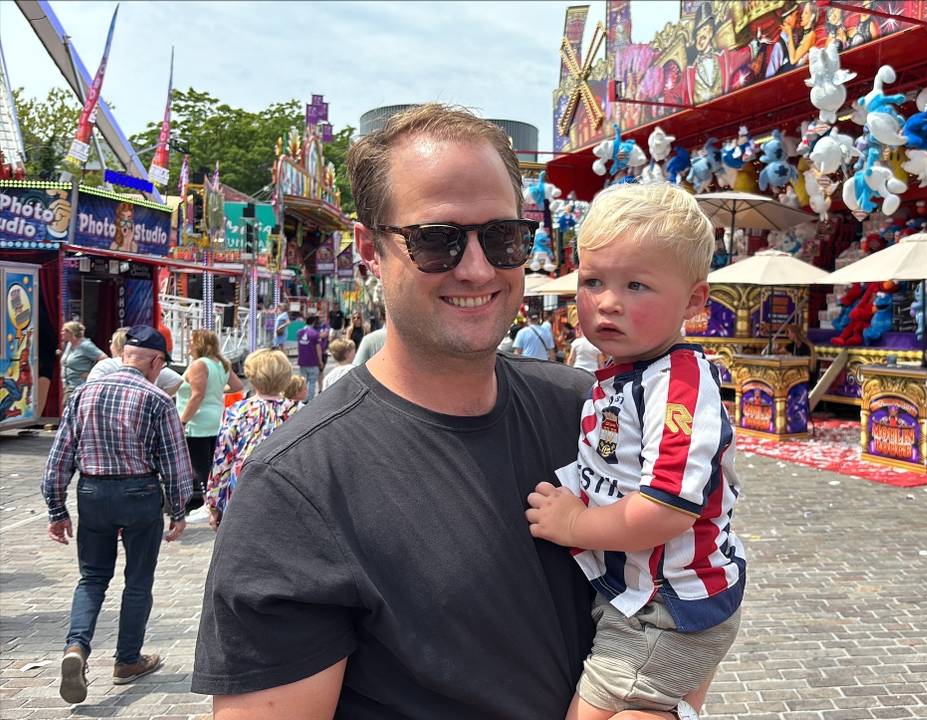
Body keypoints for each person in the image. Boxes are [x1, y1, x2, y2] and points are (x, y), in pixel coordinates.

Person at [194, 104, 637, 718]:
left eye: (503, 238)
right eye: (437, 240)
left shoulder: (589, 413)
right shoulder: (298, 487)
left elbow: (687, 593)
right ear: (369, 250)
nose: (477, 268)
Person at [525, 182, 744, 719]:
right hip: (637, 595)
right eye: (593, 280)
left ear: (694, 300)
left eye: (637, 285)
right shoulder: (626, 373)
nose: (607, 302)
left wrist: (573, 526)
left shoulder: (678, 386)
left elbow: (665, 507)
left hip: (667, 608)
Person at [42, 325, 192, 704]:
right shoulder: (157, 399)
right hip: (140, 492)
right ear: (155, 361)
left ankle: (76, 647)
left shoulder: (83, 393)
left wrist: (56, 509)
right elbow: (174, 463)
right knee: (138, 581)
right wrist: (179, 509)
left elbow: (59, 457)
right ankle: (127, 661)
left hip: (93, 491)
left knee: (92, 578)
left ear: (125, 354)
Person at [204, 349, 300, 531]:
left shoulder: (237, 411)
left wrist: (214, 503)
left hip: (243, 489)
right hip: (287, 491)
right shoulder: (299, 411)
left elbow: (223, 459)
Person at [177, 330, 243, 515]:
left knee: (200, 466)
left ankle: (208, 504)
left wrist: (182, 421)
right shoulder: (222, 363)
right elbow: (238, 386)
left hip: (198, 421)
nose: (188, 344)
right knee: (212, 464)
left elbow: (197, 395)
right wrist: (219, 389)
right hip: (215, 417)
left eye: (191, 340)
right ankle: (215, 501)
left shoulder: (199, 364)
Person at [88, 328, 184, 397]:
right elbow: (177, 380)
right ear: (156, 362)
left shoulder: (105, 366)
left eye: (111, 342)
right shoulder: (158, 402)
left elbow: (90, 392)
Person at [59, 321, 107, 404]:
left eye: (64, 331)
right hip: (68, 386)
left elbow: (104, 358)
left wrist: (91, 373)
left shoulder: (85, 345)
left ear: (71, 332)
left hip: (78, 386)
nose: (61, 333)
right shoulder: (70, 344)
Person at [295, 315, 324, 401]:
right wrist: (320, 361)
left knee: (303, 381)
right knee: (312, 381)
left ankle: (302, 399)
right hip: (313, 362)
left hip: (302, 361)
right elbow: (318, 349)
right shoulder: (315, 334)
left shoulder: (299, 332)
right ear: (313, 323)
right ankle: (310, 400)